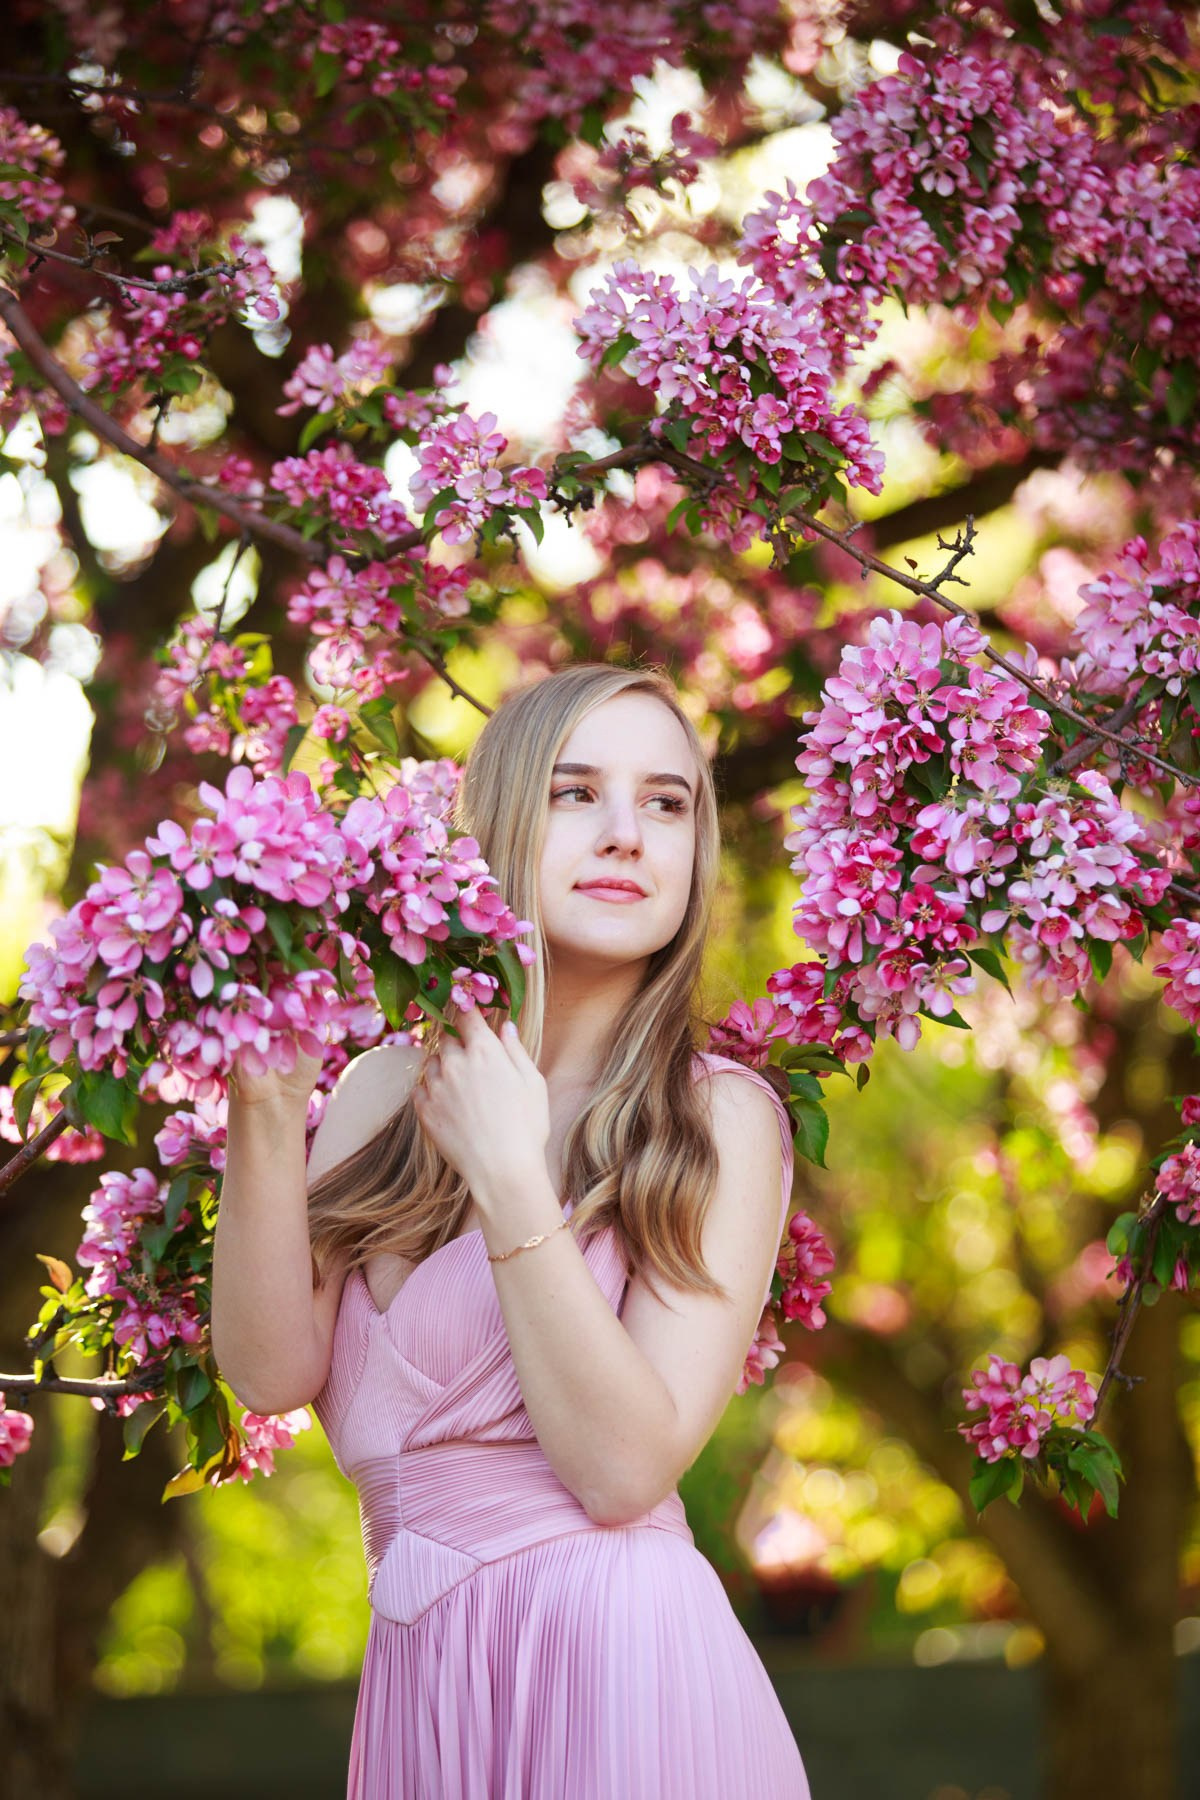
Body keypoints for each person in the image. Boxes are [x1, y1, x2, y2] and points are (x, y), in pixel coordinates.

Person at [212, 663, 812, 1798]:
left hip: (620, 1670)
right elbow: (268, 1369)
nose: (628, 834)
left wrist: (509, 1179)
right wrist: (267, 1110)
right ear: (496, 825)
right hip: (423, 1677)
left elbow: (623, 1471)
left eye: (668, 802)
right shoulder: (382, 1090)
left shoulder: (716, 1120)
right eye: (577, 793)